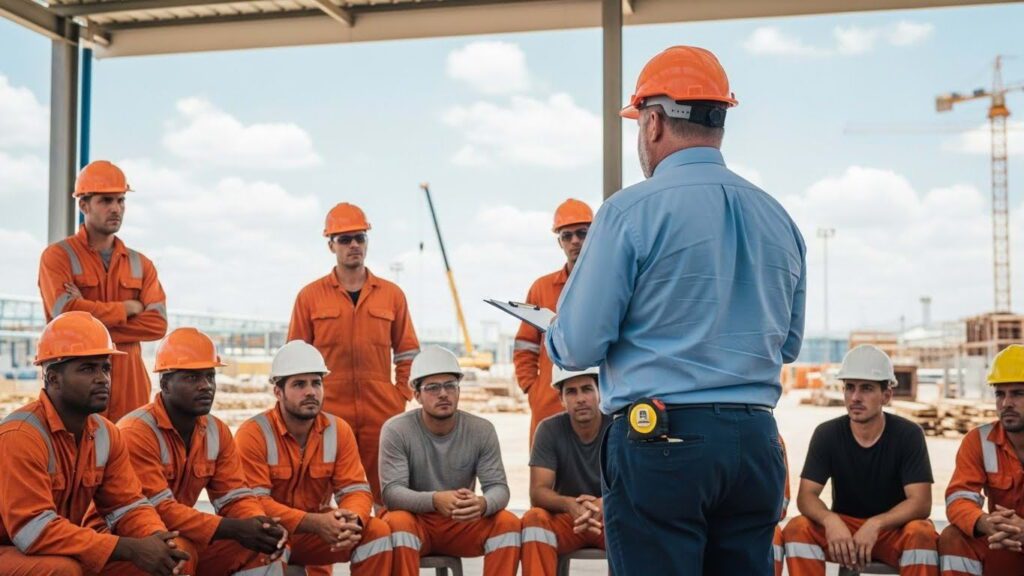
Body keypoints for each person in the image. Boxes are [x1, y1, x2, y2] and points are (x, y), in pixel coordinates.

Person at [545, 45, 805, 575]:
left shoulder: (628, 212)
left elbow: (577, 345)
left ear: (654, 121)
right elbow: (789, 344)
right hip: (755, 442)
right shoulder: (779, 218)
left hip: (662, 443)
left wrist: (554, 328)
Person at [0, 311, 188, 575]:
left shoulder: (106, 434)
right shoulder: (22, 435)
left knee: (171, 556)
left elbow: (128, 505)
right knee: (63, 570)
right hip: (12, 547)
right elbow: (33, 532)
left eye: (106, 368)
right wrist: (130, 548)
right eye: (88, 368)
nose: (102, 378)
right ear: (52, 378)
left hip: (46, 547)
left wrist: (158, 540)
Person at [90, 327, 288, 575]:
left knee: (259, 546)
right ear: (165, 384)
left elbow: (235, 495)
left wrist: (258, 524)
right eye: (192, 378)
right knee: (180, 553)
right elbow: (158, 509)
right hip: (125, 543)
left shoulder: (217, 431)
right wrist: (232, 528)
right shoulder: (136, 432)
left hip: (180, 533)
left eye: (210, 376)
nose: (205, 386)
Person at [288, 202, 420, 504]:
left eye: (360, 238)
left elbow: (408, 351)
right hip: (325, 411)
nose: (354, 245)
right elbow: (295, 357)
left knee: (385, 494)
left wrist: (399, 394)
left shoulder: (391, 295)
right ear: (331, 244)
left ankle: (383, 548)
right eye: (345, 239)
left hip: (382, 411)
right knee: (317, 495)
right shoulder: (310, 297)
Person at [236, 340, 393, 576]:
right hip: (269, 534)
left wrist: (352, 521)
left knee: (376, 531)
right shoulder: (253, 434)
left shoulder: (338, 430)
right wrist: (315, 523)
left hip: (317, 534)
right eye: (299, 384)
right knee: (266, 540)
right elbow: (256, 504)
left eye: (316, 383)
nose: (310, 391)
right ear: (278, 392)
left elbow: (355, 489)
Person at [783, 345, 938, 576]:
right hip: (843, 531)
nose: (855, 397)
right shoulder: (827, 434)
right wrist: (830, 521)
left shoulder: (908, 434)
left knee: (922, 533)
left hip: (890, 531)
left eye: (866, 388)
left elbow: (921, 502)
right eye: (850, 388)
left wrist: (876, 524)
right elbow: (806, 495)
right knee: (798, 528)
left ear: (886, 395)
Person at [37, 160, 168, 422]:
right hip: (75, 390)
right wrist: (126, 309)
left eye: (120, 201)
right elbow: (63, 315)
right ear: (83, 205)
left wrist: (85, 318)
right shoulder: (58, 257)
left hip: (131, 390)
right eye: (106, 200)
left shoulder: (140, 264)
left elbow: (157, 324)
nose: (116, 208)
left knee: (128, 458)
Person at [380, 345, 521, 576]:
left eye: (450, 386)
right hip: (418, 522)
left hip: (462, 523)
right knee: (397, 523)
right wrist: (435, 500)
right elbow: (392, 493)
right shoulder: (397, 430)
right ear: (416, 395)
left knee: (507, 523)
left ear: (459, 390)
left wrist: (482, 504)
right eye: (433, 387)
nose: (443, 394)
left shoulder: (481, 430)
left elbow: (498, 487)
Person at [514, 199, 594, 446]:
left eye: (582, 233)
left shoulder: (608, 283)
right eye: (566, 235)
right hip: (548, 402)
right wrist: (533, 389)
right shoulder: (542, 288)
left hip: (597, 402)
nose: (575, 241)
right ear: (559, 241)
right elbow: (525, 346)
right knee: (546, 475)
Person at [938, 344, 1024, 576]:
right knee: (953, 537)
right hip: (1002, 545)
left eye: (1018, 393)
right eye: (1000, 393)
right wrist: (984, 521)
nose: (1006, 403)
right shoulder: (980, 440)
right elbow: (958, 498)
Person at [521, 365, 610, 576]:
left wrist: (604, 503)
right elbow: (538, 492)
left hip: (609, 518)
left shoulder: (617, 426)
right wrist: (569, 504)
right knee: (534, 519)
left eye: (587, 389)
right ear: (561, 399)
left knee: (638, 520)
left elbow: (632, 485)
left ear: (600, 393)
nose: (580, 398)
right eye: (571, 391)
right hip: (567, 520)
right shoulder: (548, 429)